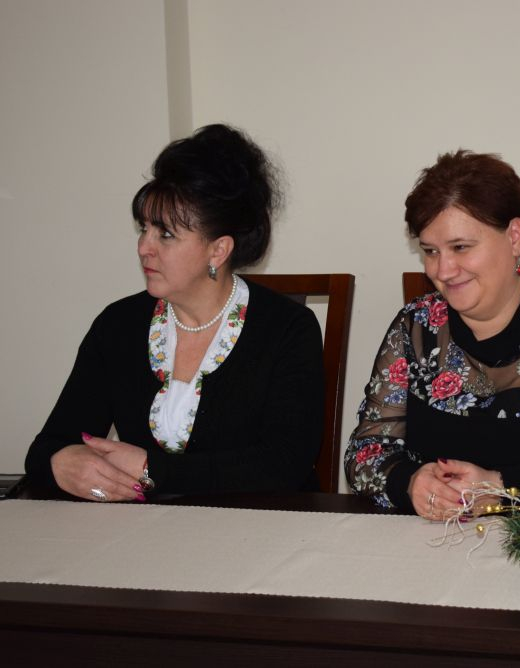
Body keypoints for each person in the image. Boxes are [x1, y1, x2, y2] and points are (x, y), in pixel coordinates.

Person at [24, 124, 324, 501]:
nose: (143, 247)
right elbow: (49, 445)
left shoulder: (287, 328)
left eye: (165, 234)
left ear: (218, 250)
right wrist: (60, 461)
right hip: (141, 529)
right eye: (144, 229)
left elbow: (284, 465)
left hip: (259, 527)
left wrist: (152, 469)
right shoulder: (118, 325)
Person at [346, 149, 520, 518]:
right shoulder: (415, 326)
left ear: (515, 237)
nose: (443, 270)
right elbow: (365, 453)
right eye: (430, 251)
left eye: (460, 247)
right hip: (424, 539)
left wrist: (502, 488)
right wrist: (410, 482)